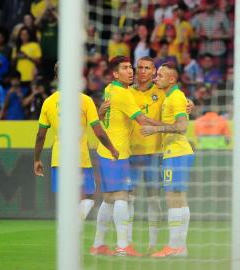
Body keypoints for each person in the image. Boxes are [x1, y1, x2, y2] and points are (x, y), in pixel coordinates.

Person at [90, 56, 163, 257]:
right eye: (125, 68)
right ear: (115, 74)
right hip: (116, 152)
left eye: (131, 67)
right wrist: (170, 127)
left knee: (109, 199)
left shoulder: (110, 89)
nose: (130, 71)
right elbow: (142, 120)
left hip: (108, 150)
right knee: (122, 197)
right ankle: (123, 246)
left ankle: (98, 244)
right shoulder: (122, 94)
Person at [33, 63, 119, 222]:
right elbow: (98, 131)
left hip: (59, 158)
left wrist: (37, 159)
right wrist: (112, 148)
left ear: (57, 78)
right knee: (88, 198)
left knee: (65, 201)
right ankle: (73, 225)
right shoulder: (85, 100)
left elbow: (40, 135)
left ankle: (66, 229)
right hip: (80, 158)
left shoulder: (49, 102)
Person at [141, 62, 194, 258]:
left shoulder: (177, 97)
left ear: (172, 79)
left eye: (160, 76)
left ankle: (174, 246)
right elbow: (171, 123)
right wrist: (151, 121)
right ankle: (181, 247)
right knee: (180, 199)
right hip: (177, 152)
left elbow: (182, 126)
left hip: (177, 152)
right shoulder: (171, 96)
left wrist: (155, 129)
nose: (156, 78)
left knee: (173, 198)